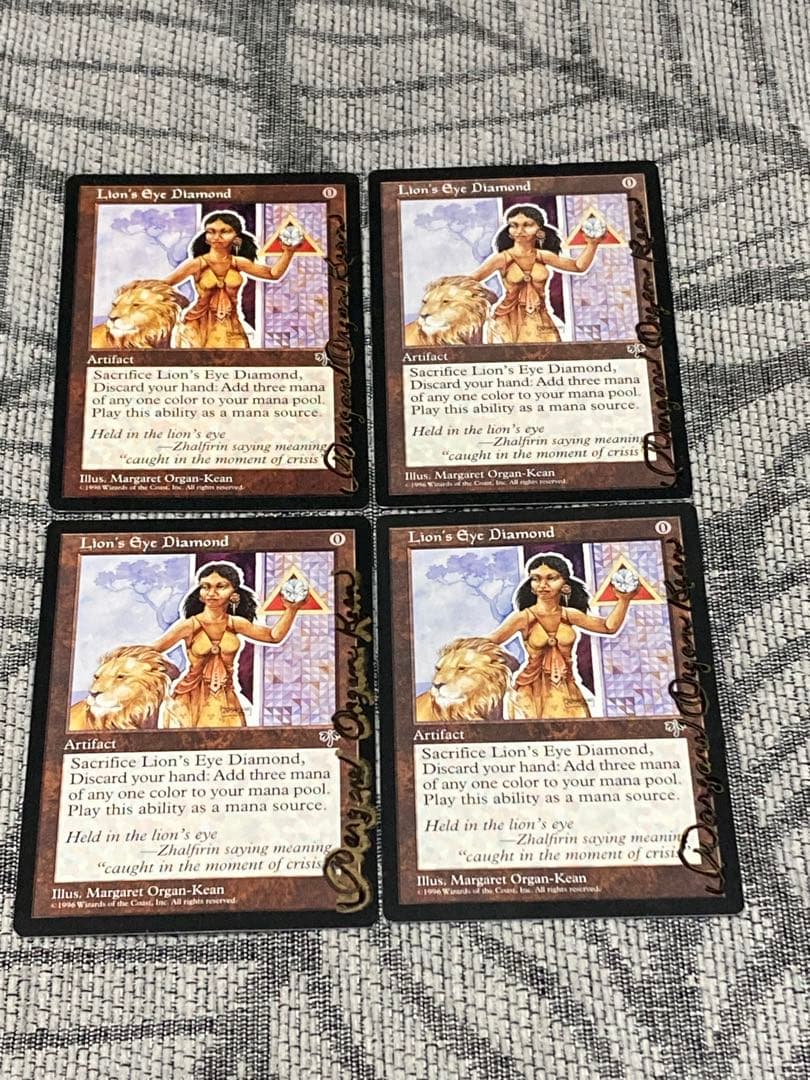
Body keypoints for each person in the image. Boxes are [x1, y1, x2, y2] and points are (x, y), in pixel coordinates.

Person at [151, 561, 304, 728]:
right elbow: (153, 650)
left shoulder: (236, 623)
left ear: (234, 593)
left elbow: (273, 636)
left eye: (220, 586)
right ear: (200, 594)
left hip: (226, 698)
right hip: (188, 699)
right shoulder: (189, 625)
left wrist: (291, 610)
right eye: (205, 587)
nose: (212, 593)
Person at [488, 554, 637, 720]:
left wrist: (624, 600)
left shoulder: (570, 615)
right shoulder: (523, 618)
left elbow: (609, 627)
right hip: (530, 691)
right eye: (536, 579)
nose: (542, 585)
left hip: (567, 687)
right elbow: (490, 642)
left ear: (565, 584)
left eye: (551, 578)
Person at [469, 204, 606, 343]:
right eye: (514, 225)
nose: (519, 230)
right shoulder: (502, 258)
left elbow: (578, 267)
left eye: (527, 225)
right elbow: (471, 280)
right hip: (507, 319)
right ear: (509, 231)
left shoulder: (543, 256)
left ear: (539, 230)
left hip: (540, 316)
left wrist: (592, 244)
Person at [164, 212, 300, 348]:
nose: (217, 237)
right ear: (205, 237)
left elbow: (272, 274)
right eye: (211, 232)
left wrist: (288, 252)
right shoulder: (196, 264)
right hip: (196, 325)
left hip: (231, 324)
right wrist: (178, 302)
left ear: (236, 237)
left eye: (225, 232)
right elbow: (163, 285)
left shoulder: (238, 262)